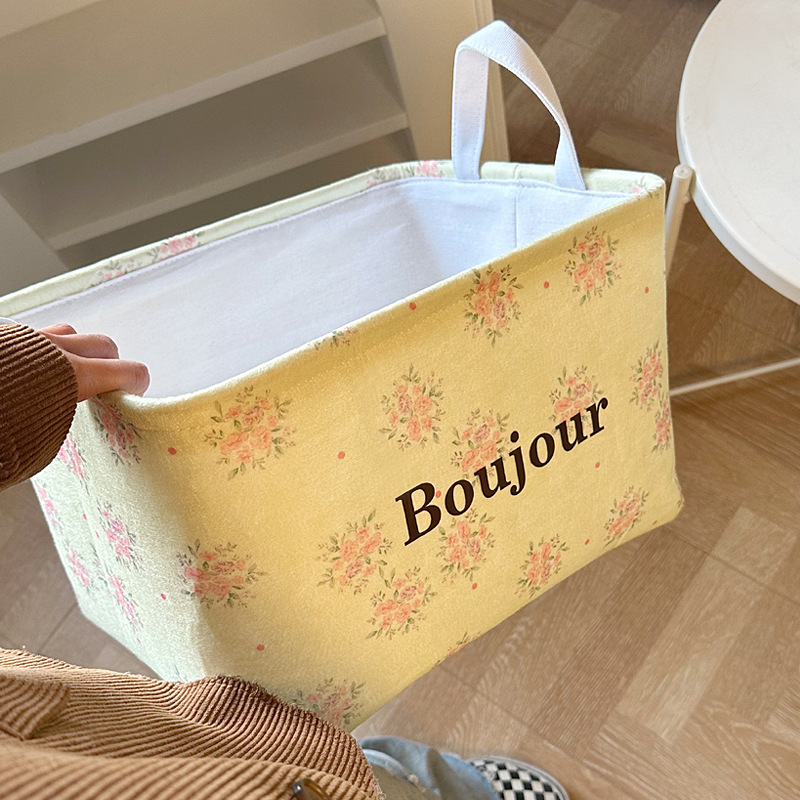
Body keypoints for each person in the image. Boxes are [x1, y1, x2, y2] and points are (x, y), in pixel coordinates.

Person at [0, 318, 569, 800]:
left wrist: (14, 385)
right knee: (309, 767)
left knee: (282, 748)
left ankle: (376, 774)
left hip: (129, 738)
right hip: (250, 782)